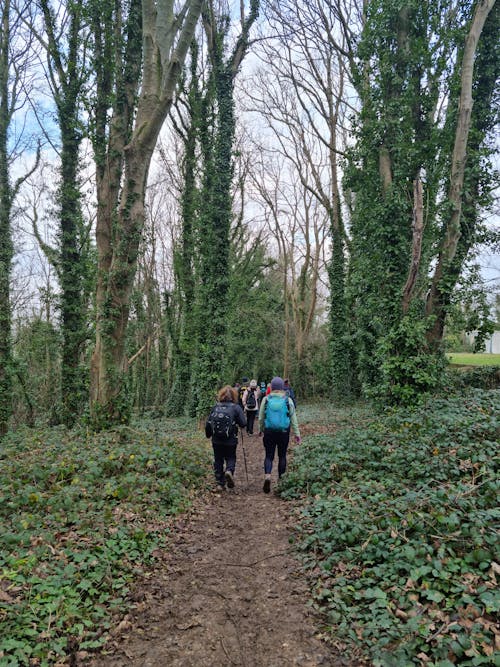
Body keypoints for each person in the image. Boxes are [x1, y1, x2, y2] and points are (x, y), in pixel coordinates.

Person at [258, 376, 301, 494]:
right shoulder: (288, 400)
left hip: (269, 431)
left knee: (269, 456)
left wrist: (261, 429)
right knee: (282, 456)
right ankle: (281, 482)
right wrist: (297, 434)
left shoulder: (266, 399)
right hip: (284, 432)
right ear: (282, 387)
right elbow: (293, 418)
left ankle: (267, 476)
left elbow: (261, 417)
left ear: (272, 387)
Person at [205, 385, 246, 490]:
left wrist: (208, 435)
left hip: (216, 440)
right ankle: (229, 471)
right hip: (230, 440)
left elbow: (208, 423)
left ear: (221, 395)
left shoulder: (215, 407)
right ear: (233, 396)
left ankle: (220, 483)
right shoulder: (236, 407)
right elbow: (243, 423)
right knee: (231, 457)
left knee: (218, 459)